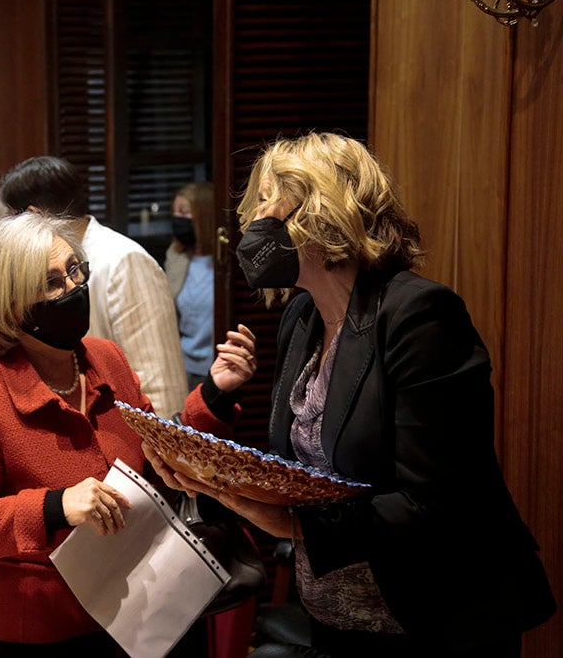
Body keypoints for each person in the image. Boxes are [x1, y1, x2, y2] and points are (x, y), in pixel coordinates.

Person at [146, 132, 557, 657]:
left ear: (326, 212)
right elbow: (299, 471)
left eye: (274, 203)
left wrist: (290, 522)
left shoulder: (419, 315)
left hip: (435, 615)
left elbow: (433, 503)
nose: (256, 224)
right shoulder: (301, 317)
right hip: (335, 614)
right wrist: (215, 481)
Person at [0, 213, 258, 657]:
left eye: (75, 271)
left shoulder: (105, 357)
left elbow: (159, 459)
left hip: (140, 608)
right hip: (38, 629)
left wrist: (212, 394)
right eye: (51, 283)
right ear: (9, 305)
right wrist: (54, 506)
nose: (73, 289)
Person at [0, 156, 189, 419]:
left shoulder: (123, 260)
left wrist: (153, 456)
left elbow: (159, 383)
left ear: (34, 215)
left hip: (133, 443)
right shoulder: (38, 269)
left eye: (11, 217)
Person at [164, 181, 216, 389]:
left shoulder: (223, 262)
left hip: (216, 368)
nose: (178, 220)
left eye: (184, 213)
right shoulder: (175, 256)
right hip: (183, 367)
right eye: (176, 213)